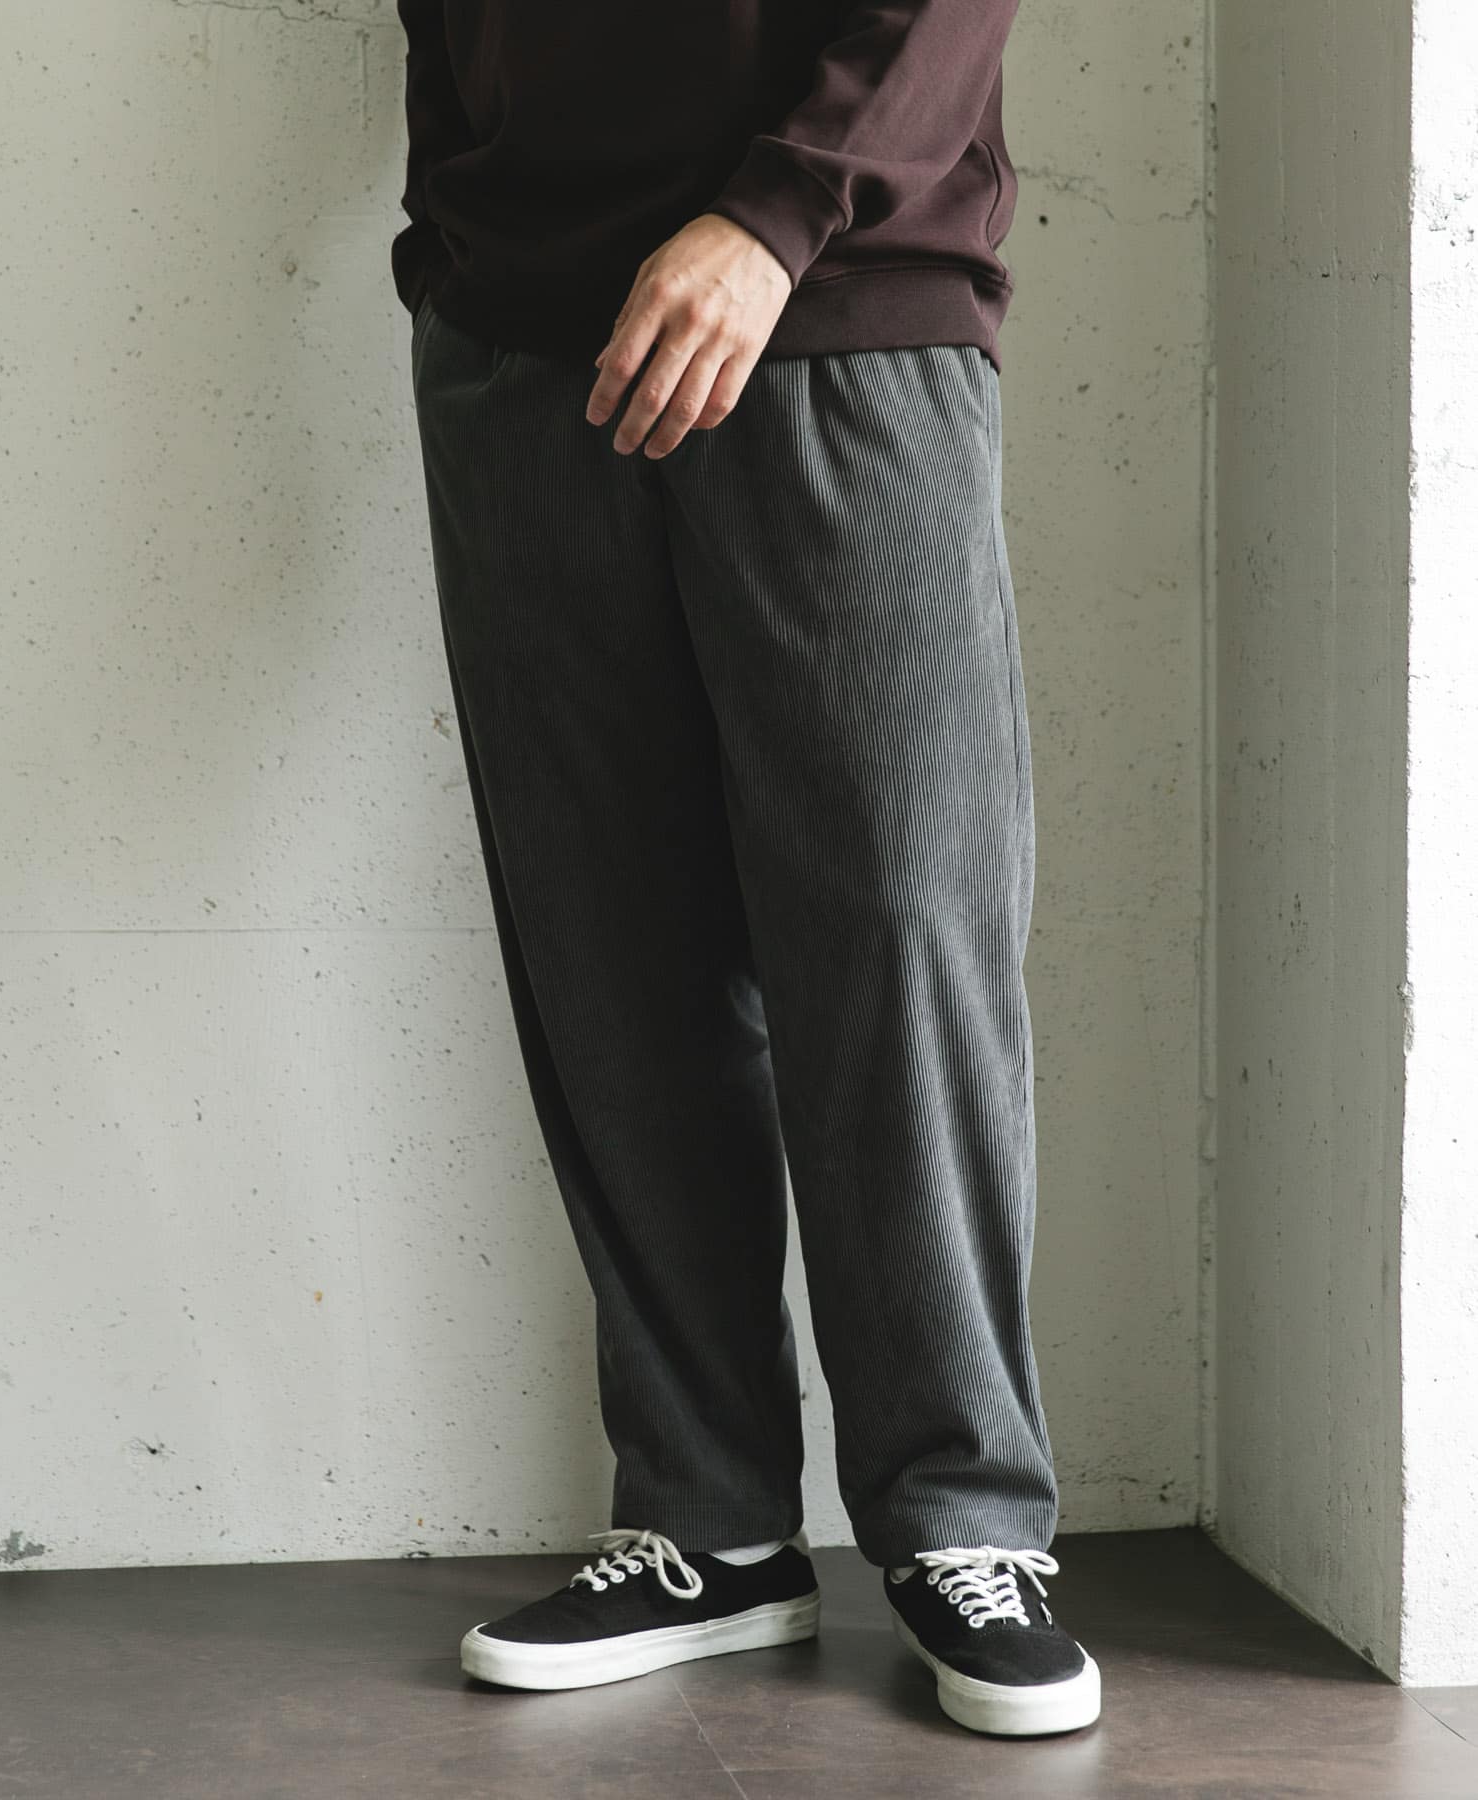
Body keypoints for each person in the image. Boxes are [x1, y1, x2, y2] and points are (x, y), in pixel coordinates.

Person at [393, 0, 1101, 1740]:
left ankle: (962, 1516)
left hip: (838, 301)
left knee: (900, 927)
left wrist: (781, 213)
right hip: (520, 331)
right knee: (604, 943)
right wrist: (463, 223)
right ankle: (705, 1517)